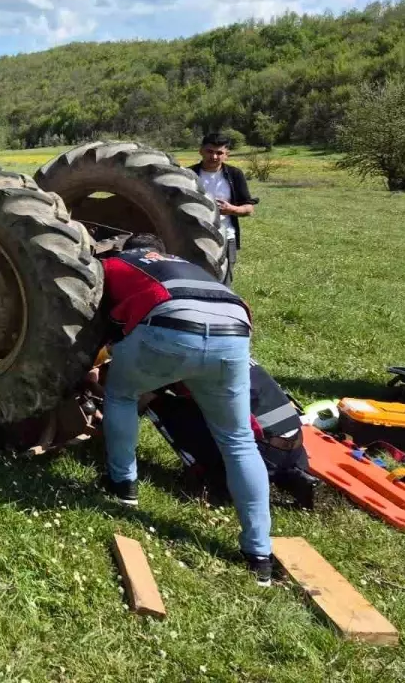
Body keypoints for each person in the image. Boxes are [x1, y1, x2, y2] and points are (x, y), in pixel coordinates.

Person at [98, 231, 274, 584]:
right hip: (233, 331)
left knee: (121, 395)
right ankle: (259, 554)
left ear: (130, 249)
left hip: (169, 325)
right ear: (163, 251)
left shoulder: (118, 262)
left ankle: (123, 484)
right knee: (238, 440)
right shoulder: (190, 266)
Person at [190, 133, 256, 285]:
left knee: (224, 283)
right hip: (192, 238)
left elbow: (249, 208)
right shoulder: (189, 174)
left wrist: (231, 209)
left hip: (226, 238)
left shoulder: (234, 175)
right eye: (209, 151)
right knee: (192, 280)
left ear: (227, 154)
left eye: (219, 153)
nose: (214, 157)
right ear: (201, 151)